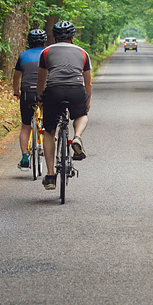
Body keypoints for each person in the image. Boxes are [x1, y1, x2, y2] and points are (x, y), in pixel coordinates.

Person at [36, 20, 91, 190]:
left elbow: (41, 79)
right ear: (73, 37)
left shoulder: (46, 52)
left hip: (54, 91)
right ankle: (77, 137)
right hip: (76, 90)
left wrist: (40, 98)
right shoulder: (83, 53)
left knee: (49, 131)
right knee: (82, 115)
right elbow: (87, 82)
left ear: (55, 37)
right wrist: (87, 101)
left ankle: (51, 176)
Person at [13, 29, 48, 169]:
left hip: (27, 93)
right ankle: (46, 141)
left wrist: (17, 92)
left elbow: (16, 77)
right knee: (48, 122)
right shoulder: (48, 53)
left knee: (26, 126)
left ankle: (25, 158)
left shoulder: (23, 55)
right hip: (44, 92)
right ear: (44, 41)